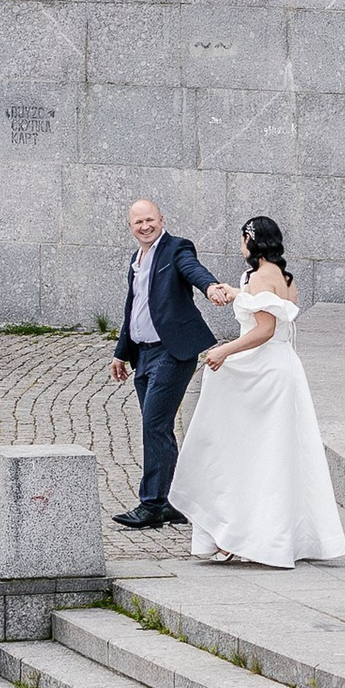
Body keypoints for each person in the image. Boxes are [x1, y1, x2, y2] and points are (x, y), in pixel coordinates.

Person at [168, 218, 345, 568]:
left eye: (242, 239)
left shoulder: (260, 275)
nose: (240, 245)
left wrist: (226, 350)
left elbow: (265, 329)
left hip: (263, 370)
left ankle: (239, 533)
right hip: (284, 367)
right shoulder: (285, 277)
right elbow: (269, 311)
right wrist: (237, 293)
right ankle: (266, 535)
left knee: (242, 450)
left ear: (251, 240)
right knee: (275, 454)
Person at [108, 195, 220, 531]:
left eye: (149, 220)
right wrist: (121, 352)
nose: (145, 226)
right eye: (138, 222)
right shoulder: (137, 258)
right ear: (131, 228)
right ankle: (172, 501)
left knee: (154, 425)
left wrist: (210, 286)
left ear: (161, 219)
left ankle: (152, 504)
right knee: (160, 428)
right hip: (143, 354)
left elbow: (192, 269)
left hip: (173, 352)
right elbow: (134, 309)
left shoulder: (176, 249)